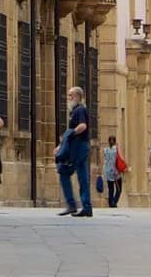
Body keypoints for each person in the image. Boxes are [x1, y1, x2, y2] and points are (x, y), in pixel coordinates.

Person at [55, 85, 94, 216]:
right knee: (82, 176)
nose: (68, 98)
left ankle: (72, 204)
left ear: (77, 97)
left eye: (70, 96)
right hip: (79, 147)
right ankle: (86, 207)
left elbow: (83, 126)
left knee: (64, 171)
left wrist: (71, 133)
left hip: (78, 148)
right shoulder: (76, 111)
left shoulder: (80, 110)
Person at [102, 134, 125, 207]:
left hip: (108, 172)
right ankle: (114, 202)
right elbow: (118, 160)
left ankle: (110, 203)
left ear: (108, 142)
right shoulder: (116, 150)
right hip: (116, 173)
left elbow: (105, 161)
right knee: (119, 189)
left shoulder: (105, 150)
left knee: (110, 189)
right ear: (115, 142)